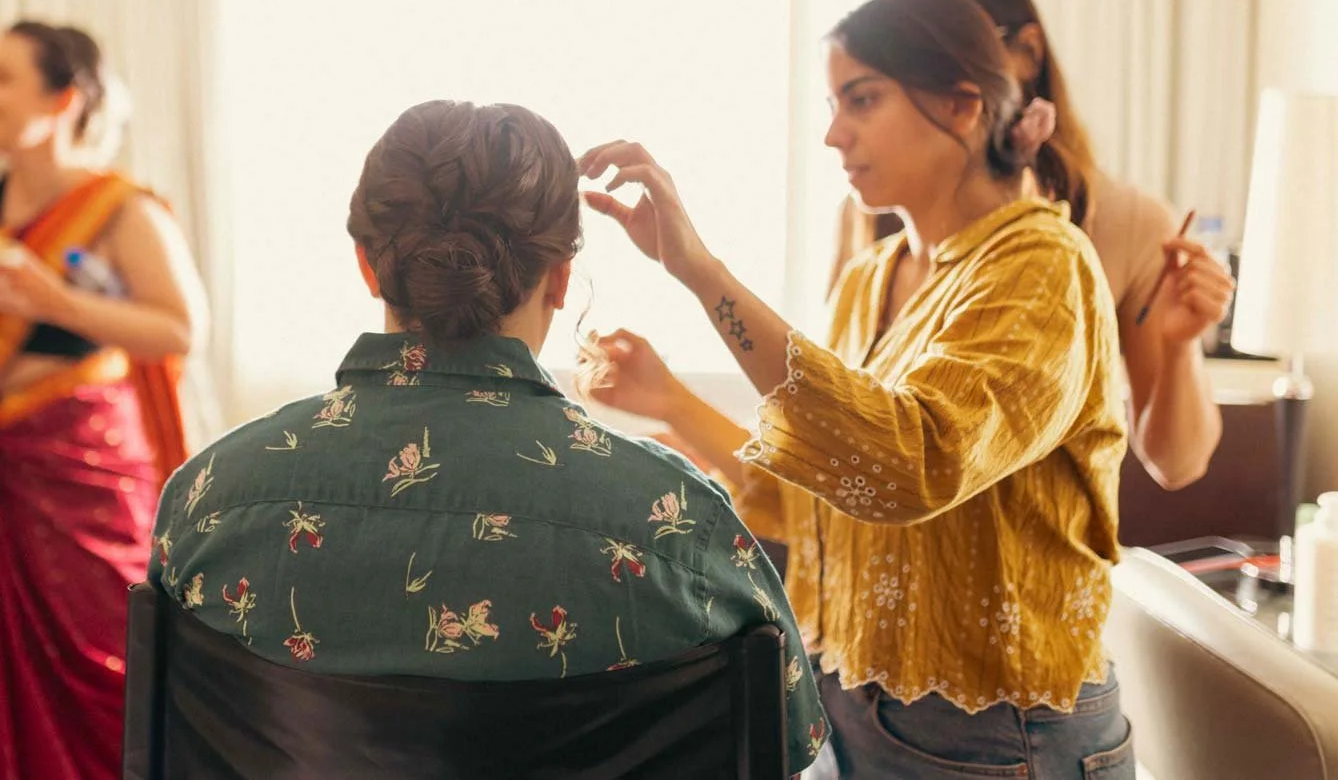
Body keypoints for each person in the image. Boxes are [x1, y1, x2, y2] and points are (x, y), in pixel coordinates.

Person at [148, 99, 829, 773]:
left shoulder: (207, 501)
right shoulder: (681, 528)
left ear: (366, 264)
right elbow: (785, 744)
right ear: (560, 279)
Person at [580, 0, 1135, 778]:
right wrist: (669, 400)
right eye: (832, 104)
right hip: (852, 708)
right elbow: (820, 494)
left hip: (1001, 733)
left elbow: (910, 464)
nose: (833, 133)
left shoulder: (1043, 268)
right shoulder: (866, 280)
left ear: (962, 105)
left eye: (862, 99)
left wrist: (703, 273)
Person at [832, 0, 1234, 490]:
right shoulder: (871, 216)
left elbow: (1178, 463)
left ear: (1027, 51)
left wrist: (1180, 347)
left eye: (960, 39)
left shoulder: (1124, 223)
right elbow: (834, 411)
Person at [0, 21, 209, 780]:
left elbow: (180, 328)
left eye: (5, 78)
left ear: (62, 100)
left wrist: (56, 301)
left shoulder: (118, 208)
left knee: (101, 656)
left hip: (77, 467)